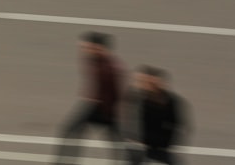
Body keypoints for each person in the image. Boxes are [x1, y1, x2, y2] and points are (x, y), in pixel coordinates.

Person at [54, 32, 125, 165]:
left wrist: (110, 114)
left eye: (87, 47)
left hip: (106, 109)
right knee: (70, 132)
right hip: (94, 103)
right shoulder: (92, 59)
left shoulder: (110, 69)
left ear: (99, 48)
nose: (83, 49)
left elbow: (116, 94)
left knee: (118, 143)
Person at [123, 66, 188, 164]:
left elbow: (177, 123)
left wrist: (169, 141)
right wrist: (132, 138)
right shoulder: (138, 98)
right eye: (143, 82)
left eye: (149, 82)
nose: (144, 84)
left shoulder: (170, 101)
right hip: (142, 142)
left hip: (160, 143)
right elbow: (129, 118)